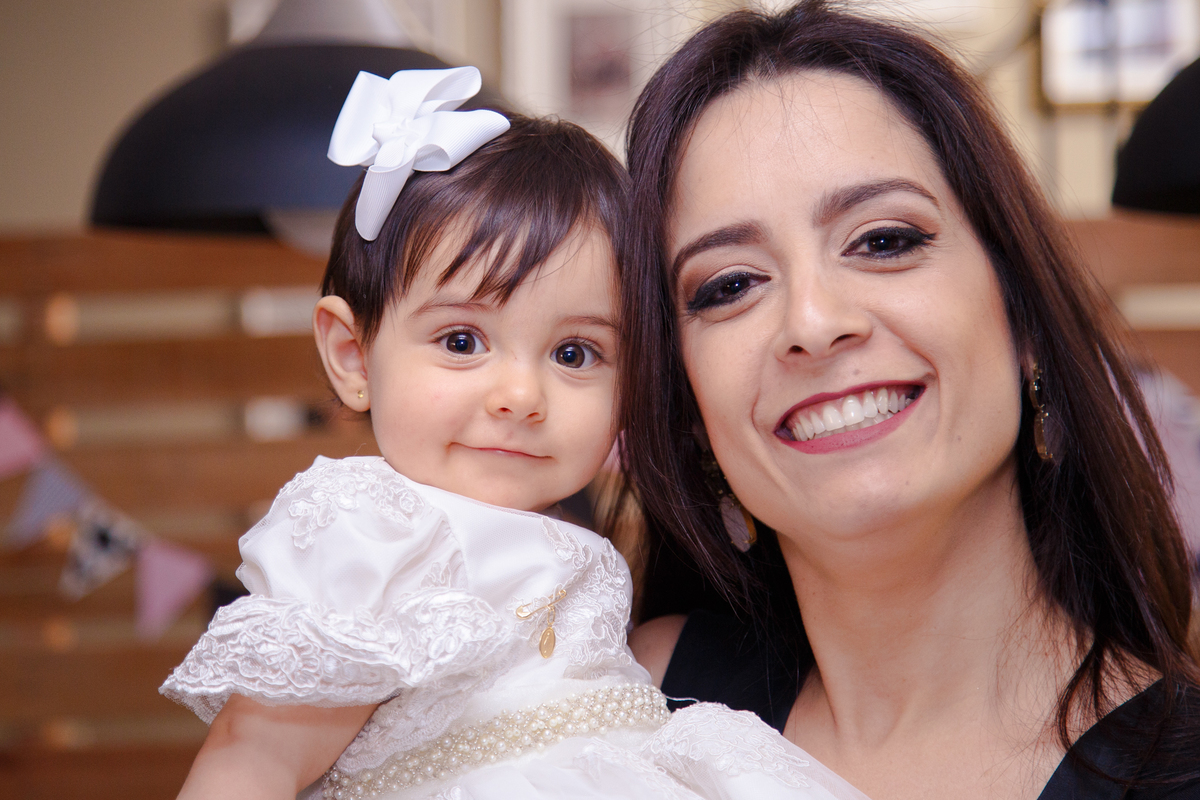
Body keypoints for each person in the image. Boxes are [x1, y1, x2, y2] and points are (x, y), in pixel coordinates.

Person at [160, 66, 866, 800]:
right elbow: (255, 759)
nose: (522, 396)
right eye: (462, 341)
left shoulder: (574, 544)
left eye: (574, 354)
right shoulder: (372, 531)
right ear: (353, 354)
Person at [619, 3, 1200, 799]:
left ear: (1023, 315)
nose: (814, 323)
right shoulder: (620, 706)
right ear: (688, 409)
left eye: (884, 240)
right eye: (730, 285)